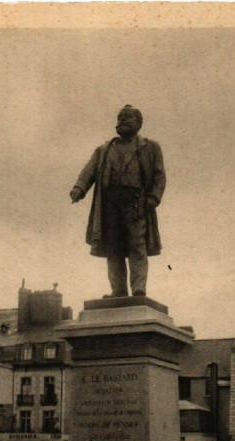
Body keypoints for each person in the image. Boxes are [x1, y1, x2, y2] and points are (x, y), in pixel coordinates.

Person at [70, 105, 166, 298]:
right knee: (113, 247)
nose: (122, 120)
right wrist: (79, 188)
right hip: (109, 204)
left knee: (137, 245)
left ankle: (138, 288)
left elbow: (159, 175)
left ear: (139, 123)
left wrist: (154, 197)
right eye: (120, 117)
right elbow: (89, 170)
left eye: (128, 117)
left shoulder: (150, 147)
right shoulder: (104, 149)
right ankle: (118, 289)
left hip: (136, 203)